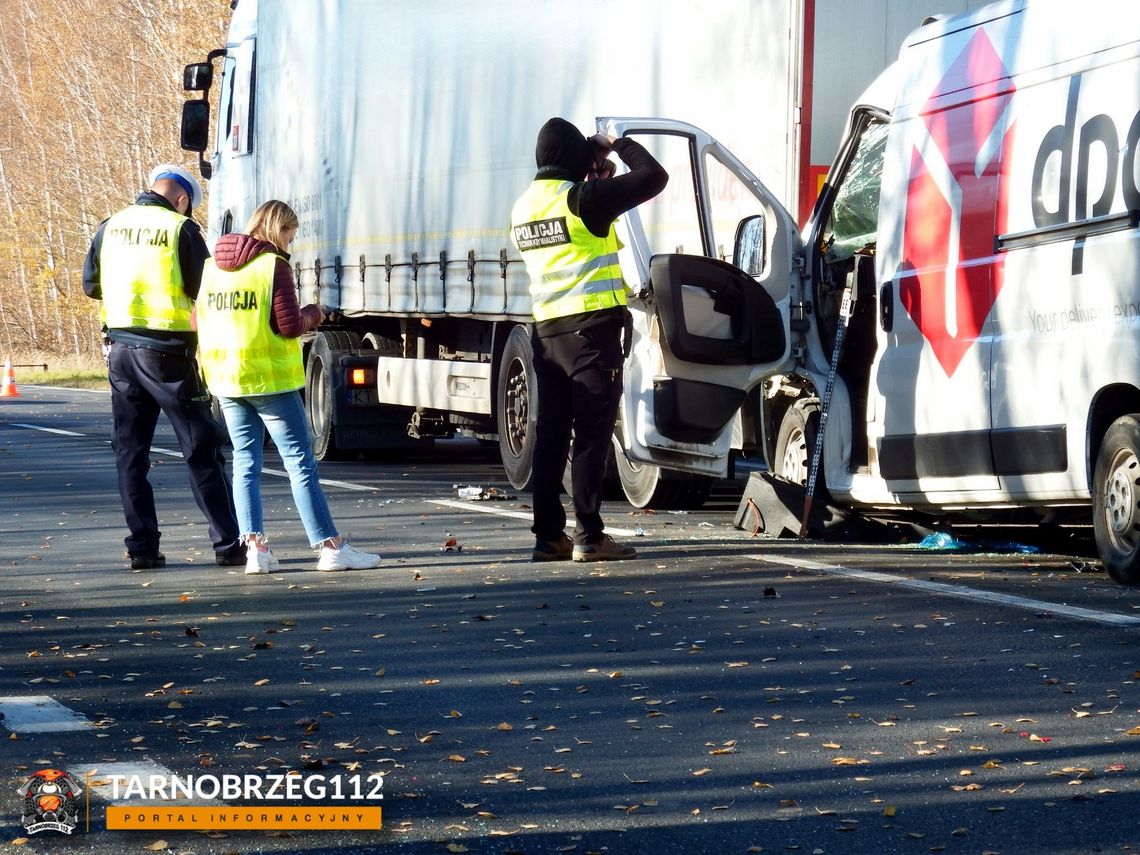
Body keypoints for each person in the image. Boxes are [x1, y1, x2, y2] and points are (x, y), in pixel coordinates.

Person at [510, 118, 668, 562]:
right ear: (574, 156)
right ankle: (589, 536)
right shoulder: (581, 201)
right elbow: (653, 176)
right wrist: (617, 144)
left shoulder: (524, 207)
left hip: (547, 334)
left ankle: (548, 537)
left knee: (551, 435)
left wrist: (590, 171)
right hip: (591, 334)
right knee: (592, 436)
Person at [195, 200, 382, 574]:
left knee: (245, 463)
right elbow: (290, 326)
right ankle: (330, 546)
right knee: (300, 463)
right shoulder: (272, 265)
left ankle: (255, 550)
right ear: (277, 229)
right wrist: (316, 311)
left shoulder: (212, 267)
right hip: (270, 381)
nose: (289, 244)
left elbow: (198, 319)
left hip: (227, 380)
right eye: (290, 236)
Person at [83, 163, 245, 571]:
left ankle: (142, 548)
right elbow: (205, 289)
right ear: (183, 199)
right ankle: (228, 544)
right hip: (167, 355)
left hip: (121, 352)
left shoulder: (109, 226)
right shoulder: (180, 229)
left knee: (130, 454)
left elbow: (91, 286)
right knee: (200, 449)